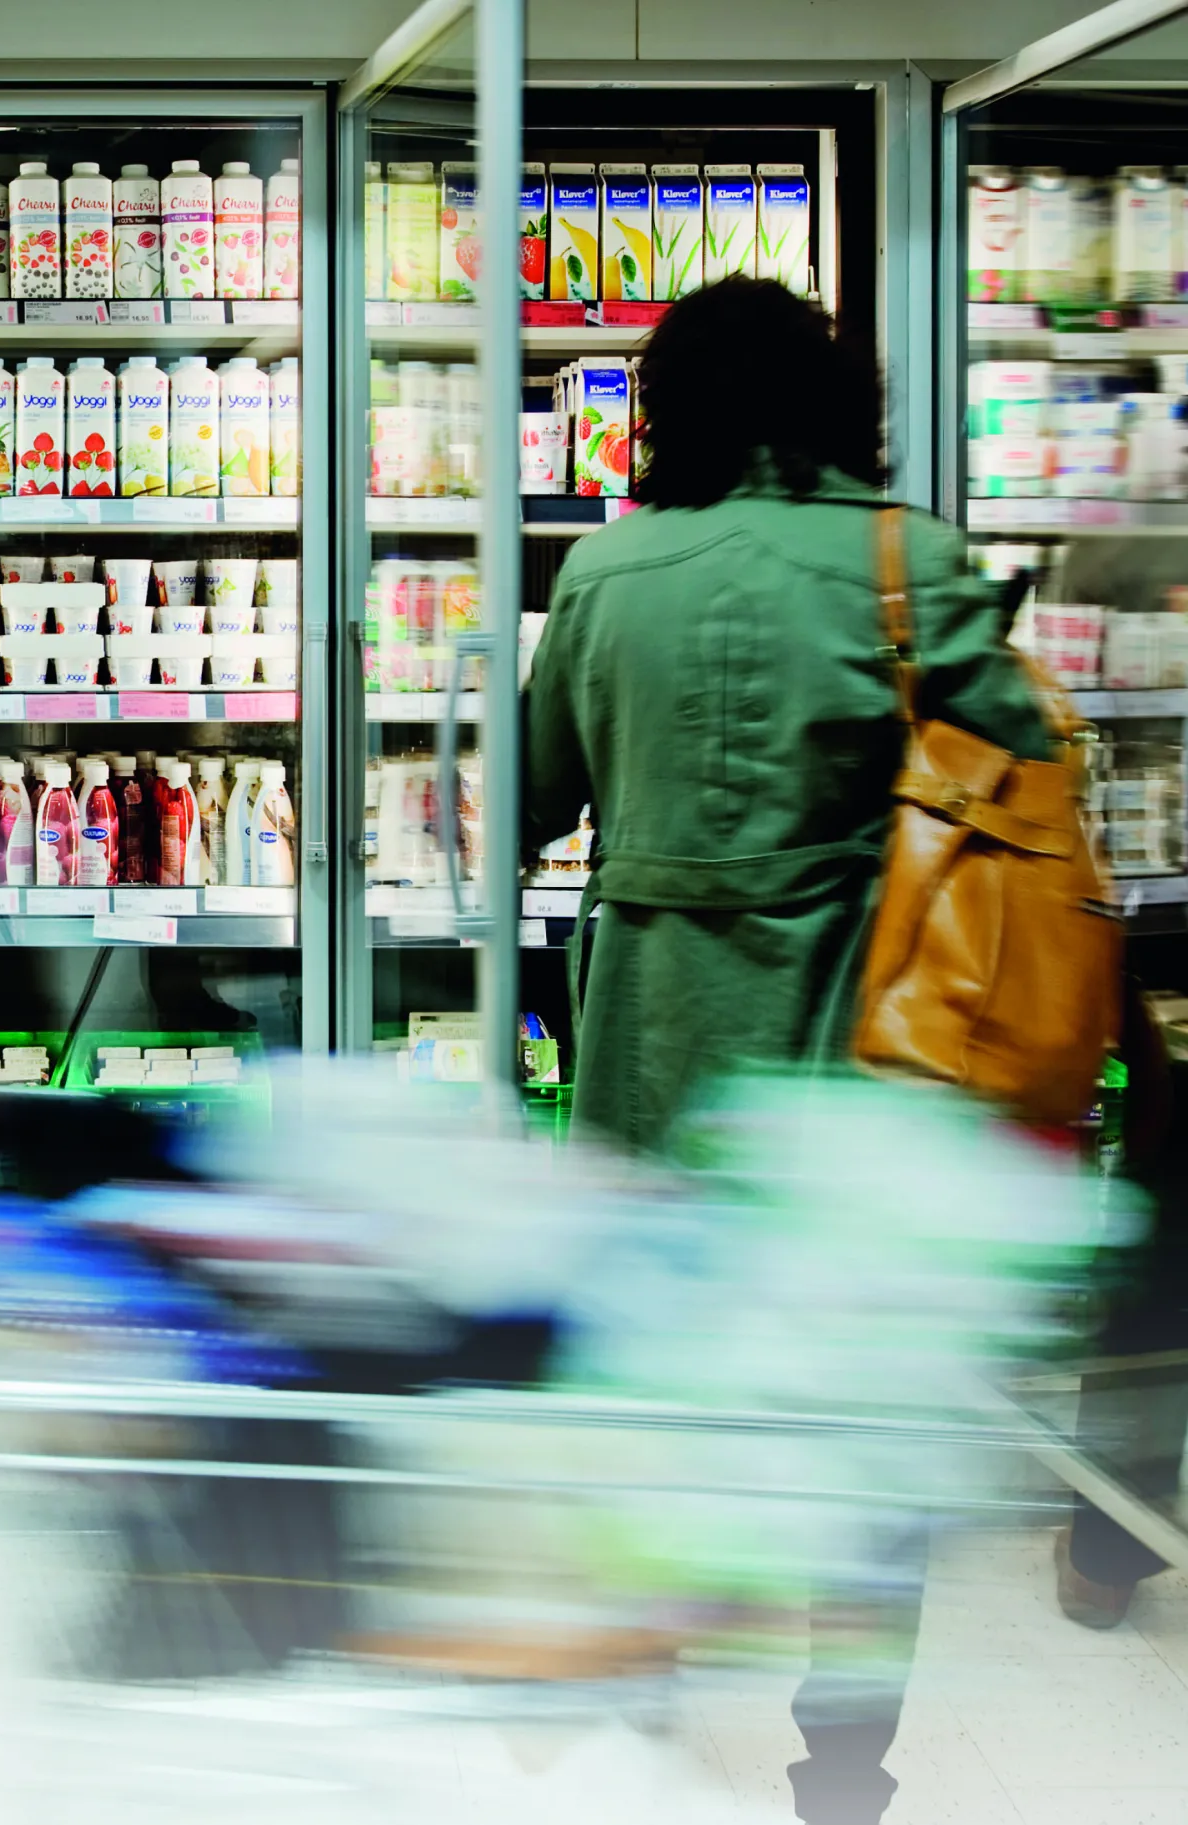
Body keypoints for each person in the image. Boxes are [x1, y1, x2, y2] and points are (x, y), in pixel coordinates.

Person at [523, 277, 1053, 1825]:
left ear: (662, 411)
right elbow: (1015, 789)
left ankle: (643, 1702)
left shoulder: (610, 572)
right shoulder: (915, 563)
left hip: (651, 1058)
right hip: (862, 1058)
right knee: (860, 1421)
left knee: (651, 1408)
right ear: (837, 401)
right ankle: (843, 1766)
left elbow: (543, 799)